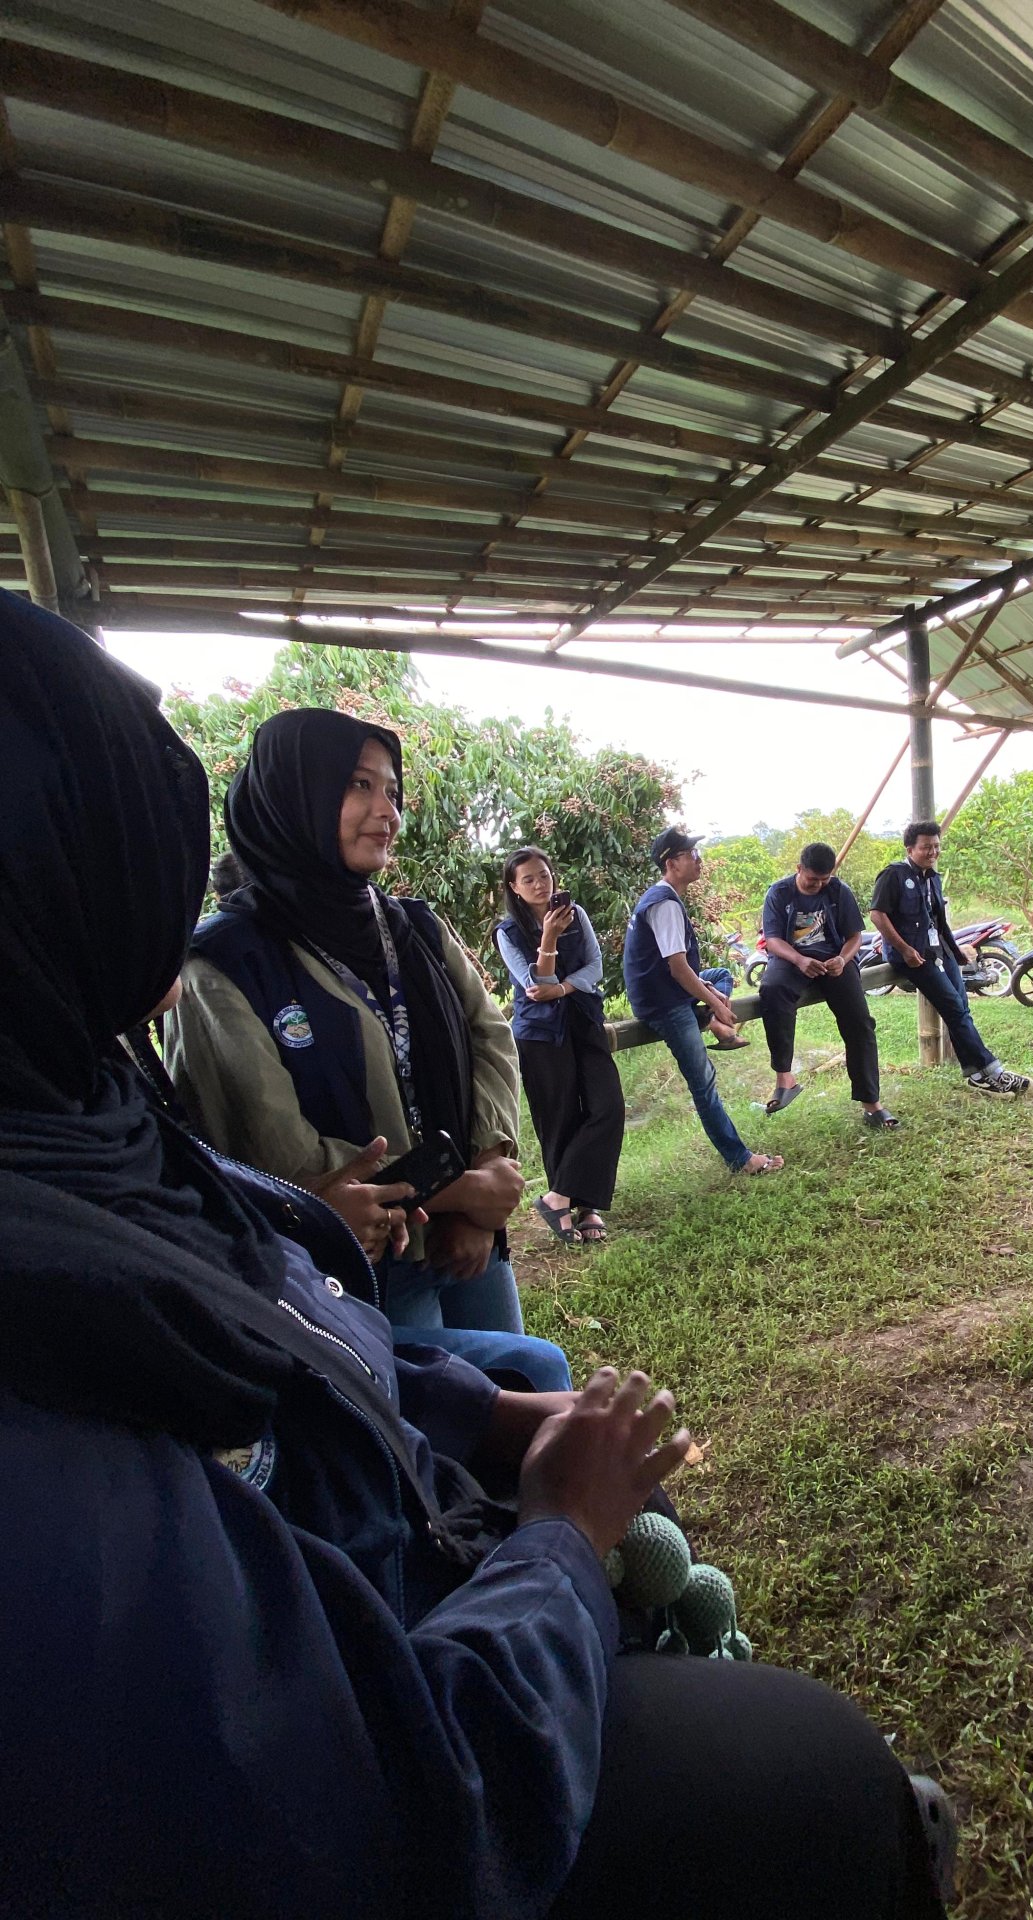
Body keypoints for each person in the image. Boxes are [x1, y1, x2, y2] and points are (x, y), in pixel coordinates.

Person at [0, 589, 950, 1920]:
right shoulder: (51, 1421)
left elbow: (291, 1294)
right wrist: (557, 1536)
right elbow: (375, 1807)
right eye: (113, 827)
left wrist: (477, 1369)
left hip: (415, 1411)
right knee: (815, 1782)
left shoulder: (84, 1112)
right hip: (395, 1665)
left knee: (529, 1370)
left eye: (393, 789)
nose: (382, 813)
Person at [166, 707, 570, 1392]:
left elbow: (489, 1035)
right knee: (450, 1435)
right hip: (357, 1263)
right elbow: (270, 1149)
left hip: (474, 1235)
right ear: (292, 796)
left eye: (392, 791)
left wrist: (486, 1167)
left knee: (523, 1410)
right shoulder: (224, 964)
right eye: (358, 786)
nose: (387, 811)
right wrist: (456, 1195)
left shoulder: (410, 925)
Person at [622, 827, 783, 1176]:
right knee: (703, 1082)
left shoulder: (665, 896)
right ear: (671, 862)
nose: (699, 860)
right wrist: (721, 1005)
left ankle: (713, 1023)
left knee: (721, 975)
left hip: (669, 988)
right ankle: (740, 1159)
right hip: (663, 1003)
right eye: (691, 854)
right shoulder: (663, 904)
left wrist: (713, 997)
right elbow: (678, 969)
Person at [497, 846, 626, 1246]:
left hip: (583, 1021)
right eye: (528, 879)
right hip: (539, 1035)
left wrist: (566, 988)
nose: (539, 884)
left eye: (544, 875)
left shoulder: (578, 914)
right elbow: (535, 985)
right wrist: (549, 937)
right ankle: (582, 1207)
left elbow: (595, 966)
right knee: (559, 1119)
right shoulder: (508, 932)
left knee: (608, 1106)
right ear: (515, 888)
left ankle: (557, 1198)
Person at [871, 821, 1033, 1098]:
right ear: (910, 848)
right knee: (954, 1011)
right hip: (913, 957)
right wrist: (905, 949)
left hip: (940, 952)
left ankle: (976, 1075)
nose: (933, 852)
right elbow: (878, 915)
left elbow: (939, 921)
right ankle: (992, 1071)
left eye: (936, 846)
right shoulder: (893, 875)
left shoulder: (933, 877)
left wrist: (956, 952)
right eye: (926, 847)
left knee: (962, 1008)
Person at [758, 841, 899, 1129]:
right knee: (772, 990)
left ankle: (872, 1105)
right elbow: (773, 940)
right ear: (799, 869)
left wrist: (843, 959)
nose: (819, 885)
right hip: (790, 959)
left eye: (825, 879)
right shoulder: (779, 892)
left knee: (860, 1022)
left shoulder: (838, 890)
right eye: (813, 880)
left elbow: (855, 937)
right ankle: (785, 1078)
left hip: (833, 961)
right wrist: (798, 960)